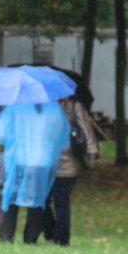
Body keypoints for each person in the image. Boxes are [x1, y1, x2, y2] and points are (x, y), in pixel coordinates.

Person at [0, 102, 69, 244]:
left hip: (18, 159)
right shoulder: (53, 108)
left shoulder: (15, 107)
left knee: (11, 198)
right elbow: (60, 133)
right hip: (43, 160)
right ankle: (31, 238)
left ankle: (6, 235)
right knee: (37, 200)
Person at [43, 97, 100, 246]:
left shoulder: (75, 107)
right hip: (47, 164)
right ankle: (51, 231)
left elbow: (86, 129)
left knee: (61, 201)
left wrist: (92, 152)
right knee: (42, 200)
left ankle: (62, 239)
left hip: (68, 164)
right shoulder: (45, 106)